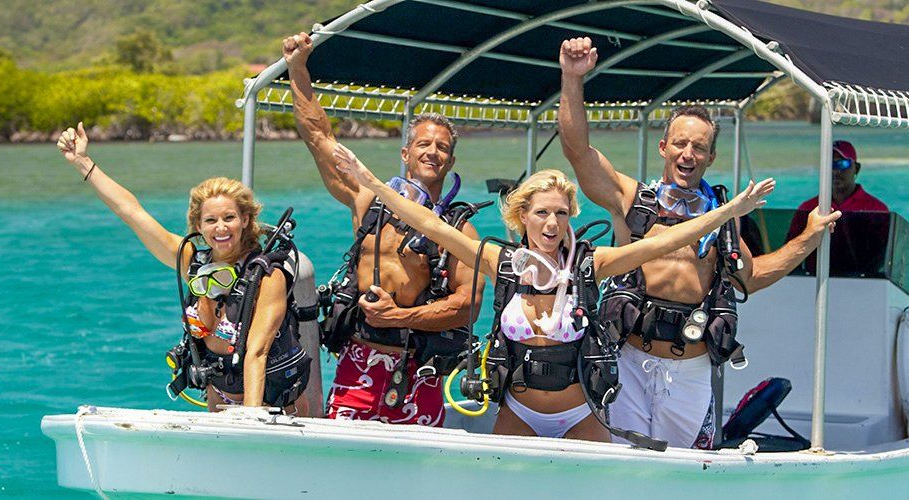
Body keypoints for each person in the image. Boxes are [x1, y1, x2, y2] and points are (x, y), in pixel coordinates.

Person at [332, 143, 775, 441]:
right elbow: (430, 223)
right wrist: (370, 181)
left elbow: (662, 242)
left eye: (561, 214)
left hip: (581, 415)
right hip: (519, 412)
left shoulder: (590, 264)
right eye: (542, 212)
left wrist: (729, 211)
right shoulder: (500, 261)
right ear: (523, 216)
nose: (552, 223)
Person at [557, 37, 841, 448]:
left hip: (689, 369)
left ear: (711, 157)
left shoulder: (723, 216)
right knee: (623, 465)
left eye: (699, 147)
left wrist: (808, 237)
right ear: (664, 147)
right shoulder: (632, 200)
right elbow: (578, 151)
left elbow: (751, 277)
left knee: (685, 468)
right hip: (628, 361)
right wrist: (572, 77)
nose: (688, 154)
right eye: (680, 143)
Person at [284, 32, 485, 427]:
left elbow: (468, 306)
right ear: (405, 154)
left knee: (419, 462)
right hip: (357, 361)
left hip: (419, 371)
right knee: (345, 455)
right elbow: (319, 137)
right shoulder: (367, 202)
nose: (432, 152)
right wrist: (298, 68)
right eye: (423, 144)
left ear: (450, 161)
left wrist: (399, 317)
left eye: (442, 148)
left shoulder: (459, 230)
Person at [55, 122, 312, 414]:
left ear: (245, 220)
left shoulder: (265, 275)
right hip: (221, 402)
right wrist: (82, 162)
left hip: (273, 409)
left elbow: (257, 352)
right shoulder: (193, 262)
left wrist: (250, 420)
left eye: (229, 218)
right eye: (211, 220)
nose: (220, 228)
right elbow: (132, 212)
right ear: (198, 226)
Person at [786, 140, 889, 239]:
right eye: (829, 164)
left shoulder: (877, 209)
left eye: (842, 164)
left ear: (856, 168)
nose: (835, 171)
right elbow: (793, 247)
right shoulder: (808, 209)